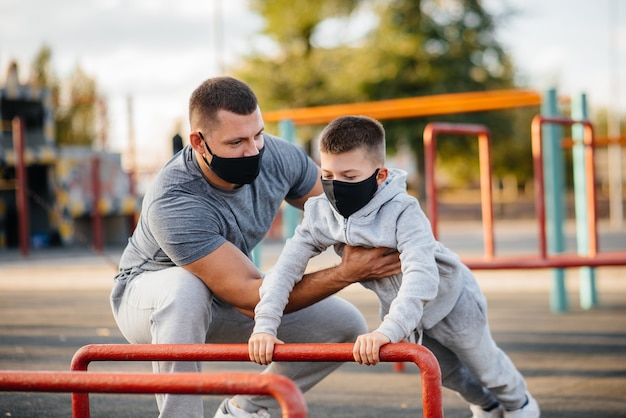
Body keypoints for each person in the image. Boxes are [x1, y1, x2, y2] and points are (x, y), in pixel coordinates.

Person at [109, 77, 402, 418]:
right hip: (149, 297)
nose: (252, 150)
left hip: (224, 293)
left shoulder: (276, 155)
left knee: (343, 324)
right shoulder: (175, 199)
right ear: (198, 142)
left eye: (257, 134)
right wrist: (347, 272)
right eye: (236, 142)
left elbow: (346, 214)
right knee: (185, 288)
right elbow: (251, 297)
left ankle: (243, 410)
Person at [249, 115, 541, 418]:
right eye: (327, 175)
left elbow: (421, 276)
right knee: (447, 374)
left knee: (485, 366)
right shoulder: (321, 214)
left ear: (379, 175)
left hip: (451, 301)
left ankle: (519, 404)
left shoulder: (404, 211)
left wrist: (387, 331)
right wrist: (265, 326)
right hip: (405, 314)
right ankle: (488, 406)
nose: (336, 186)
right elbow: (285, 269)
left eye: (349, 177)